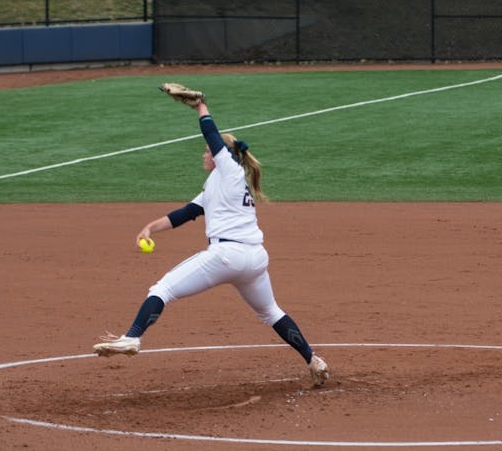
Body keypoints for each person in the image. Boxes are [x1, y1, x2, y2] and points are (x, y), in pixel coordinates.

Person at [93, 97, 329, 387]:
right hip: (254, 259)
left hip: (226, 255)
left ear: (222, 156)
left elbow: (212, 134)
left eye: (207, 152)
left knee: (162, 288)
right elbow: (184, 214)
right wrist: (150, 228)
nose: (204, 155)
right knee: (270, 312)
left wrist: (201, 107)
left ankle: (132, 337)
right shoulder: (216, 185)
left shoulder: (230, 171)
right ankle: (313, 360)